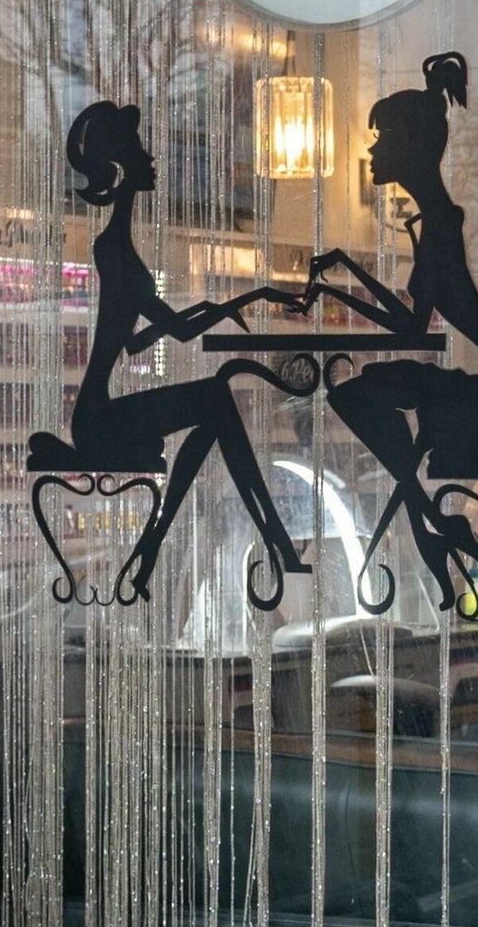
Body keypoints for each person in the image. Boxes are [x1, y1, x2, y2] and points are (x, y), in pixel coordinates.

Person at [310, 53, 478, 605]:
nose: (371, 152)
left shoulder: (439, 224)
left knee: (354, 393)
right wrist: (345, 270)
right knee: (362, 393)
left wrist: (340, 288)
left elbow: (412, 327)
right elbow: (416, 316)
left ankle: (434, 526)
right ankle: (437, 527)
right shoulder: (434, 217)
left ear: (409, 148)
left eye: (381, 140)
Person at [26, 99, 314, 602]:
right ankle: (269, 540)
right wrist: (240, 302)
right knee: (216, 399)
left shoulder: (118, 246)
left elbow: (137, 340)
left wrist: (220, 307)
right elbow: (175, 330)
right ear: (120, 168)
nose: (152, 158)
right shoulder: (113, 249)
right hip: (98, 421)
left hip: (98, 414)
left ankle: (167, 544)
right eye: (140, 150)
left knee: (213, 412)